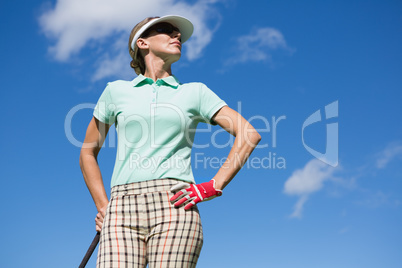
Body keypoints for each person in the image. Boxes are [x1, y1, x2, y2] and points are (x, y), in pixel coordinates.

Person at [79, 15, 261, 268]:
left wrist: (213, 186)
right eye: (166, 30)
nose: (177, 36)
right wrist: (104, 207)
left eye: (179, 34)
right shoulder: (116, 91)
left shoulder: (195, 92)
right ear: (142, 43)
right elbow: (87, 153)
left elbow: (249, 134)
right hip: (120, 208)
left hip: (175, 205)